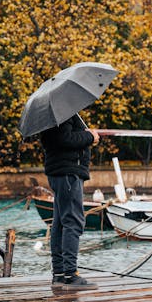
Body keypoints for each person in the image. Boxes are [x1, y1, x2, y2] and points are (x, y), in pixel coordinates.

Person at [40, 113, 100, 288]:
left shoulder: (52, 114)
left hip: (60, 173)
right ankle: (71, 275)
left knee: (60, 223)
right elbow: (64, 139)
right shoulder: (63, 112)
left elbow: (60, 138)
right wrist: (90, 136)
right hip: (67, 174)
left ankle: (59, 274)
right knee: (73, 222)